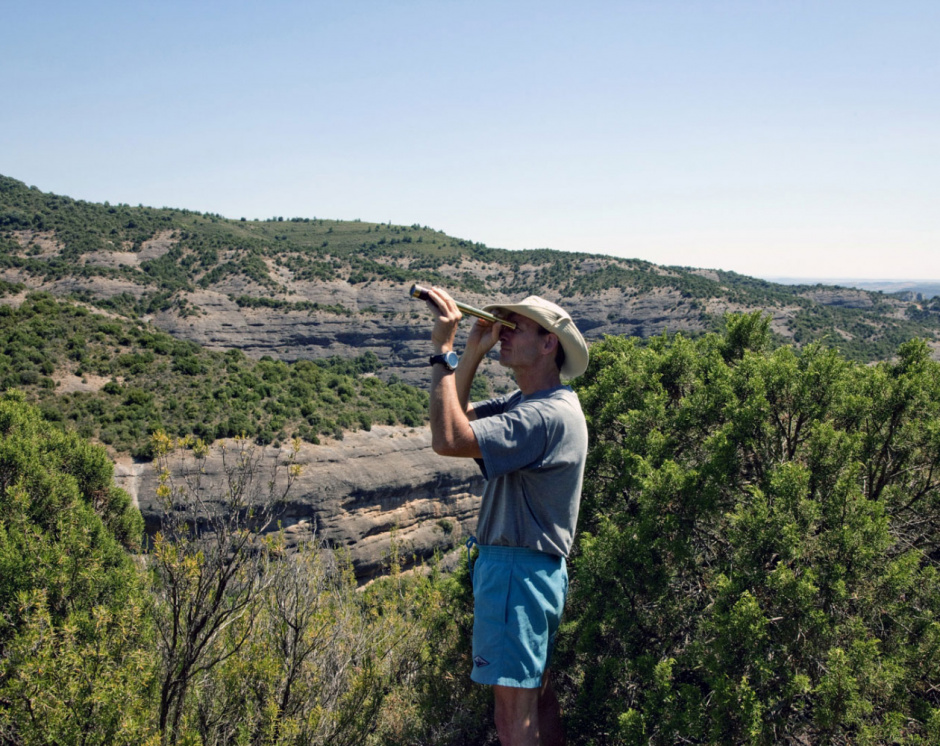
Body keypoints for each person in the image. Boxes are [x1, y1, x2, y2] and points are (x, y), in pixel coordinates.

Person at [423, 286, 589, 746]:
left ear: (549, 343)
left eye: (516, 328)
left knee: (511, 718)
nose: (504, 335)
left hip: (515, 572)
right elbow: (452, 416)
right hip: (535, 573)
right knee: (538, 700)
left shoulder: (542, 417)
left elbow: (448, 440)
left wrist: (443, 351)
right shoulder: (535, 406)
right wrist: (471, 354)